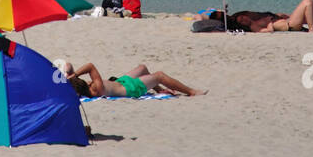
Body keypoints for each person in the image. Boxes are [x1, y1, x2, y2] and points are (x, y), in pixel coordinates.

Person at [60, 61, 206, 97]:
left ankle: (160, 90)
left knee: (142, 67)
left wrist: (69, 74)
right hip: (131, 89)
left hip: (121, 82)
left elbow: (68, 66)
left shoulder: (84, 87)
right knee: (159, 75)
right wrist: (76, 75)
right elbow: (90, 66)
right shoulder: (96, 89)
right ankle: (191, 91)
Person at [227, 0, 313, 32]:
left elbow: (269, 16)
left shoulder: (256, 16)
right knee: (308, 1)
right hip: (290, 25)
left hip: (287, 21)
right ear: (242, 25)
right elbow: (268, 31)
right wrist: (270, 25)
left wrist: (278, 15)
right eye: (241, 21)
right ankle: (312, 28)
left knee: (308, 15)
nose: (244, 19)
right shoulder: (254, 27)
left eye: (243, 17)